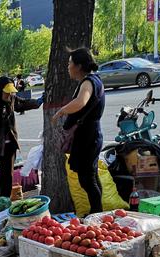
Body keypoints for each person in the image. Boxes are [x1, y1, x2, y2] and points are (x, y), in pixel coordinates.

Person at [52, 47, 105, 214]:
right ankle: (98, 212)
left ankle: (97, 213)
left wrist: (61, 111)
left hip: (88, 137)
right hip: (89, 135)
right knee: (91, 176)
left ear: (79, 66)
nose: (68, 67)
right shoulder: (93, 80)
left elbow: (81, 102)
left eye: (70, 63)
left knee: (87, 179)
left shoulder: (88, 82)